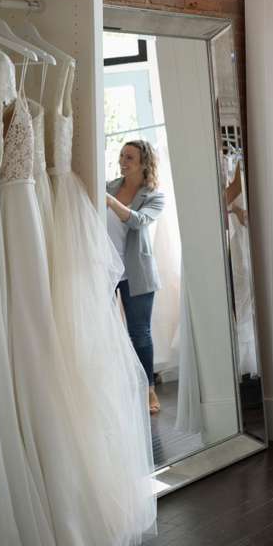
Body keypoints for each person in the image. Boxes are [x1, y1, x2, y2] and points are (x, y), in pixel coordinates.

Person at [106, 139, 167, 415]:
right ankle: (118, 389)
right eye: (121, 156)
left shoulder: (154, 196)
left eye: (129, 157)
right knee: (107, 332)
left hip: (136, 272)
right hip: (106, 270)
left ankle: (149, 389)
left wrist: (110, 202)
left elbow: (138, 221)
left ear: (144, 162)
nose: (123, 161)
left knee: (139, 333)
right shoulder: (108, 187)